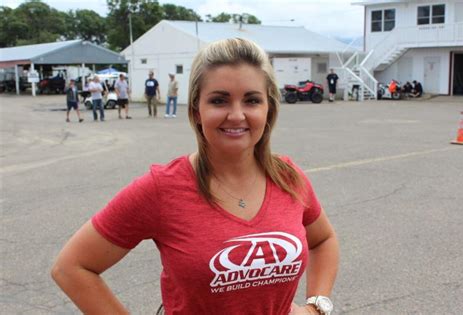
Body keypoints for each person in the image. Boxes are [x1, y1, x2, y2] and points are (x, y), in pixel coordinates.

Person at [51, 38, 339, 315]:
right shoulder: (162, 188)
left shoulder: (288, 178)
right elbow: (72, 267)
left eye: (252, 100)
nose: (237, 115)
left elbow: (323, 239)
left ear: (269, 109)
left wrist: (316, 305)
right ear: (196, 111)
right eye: (219, 101)